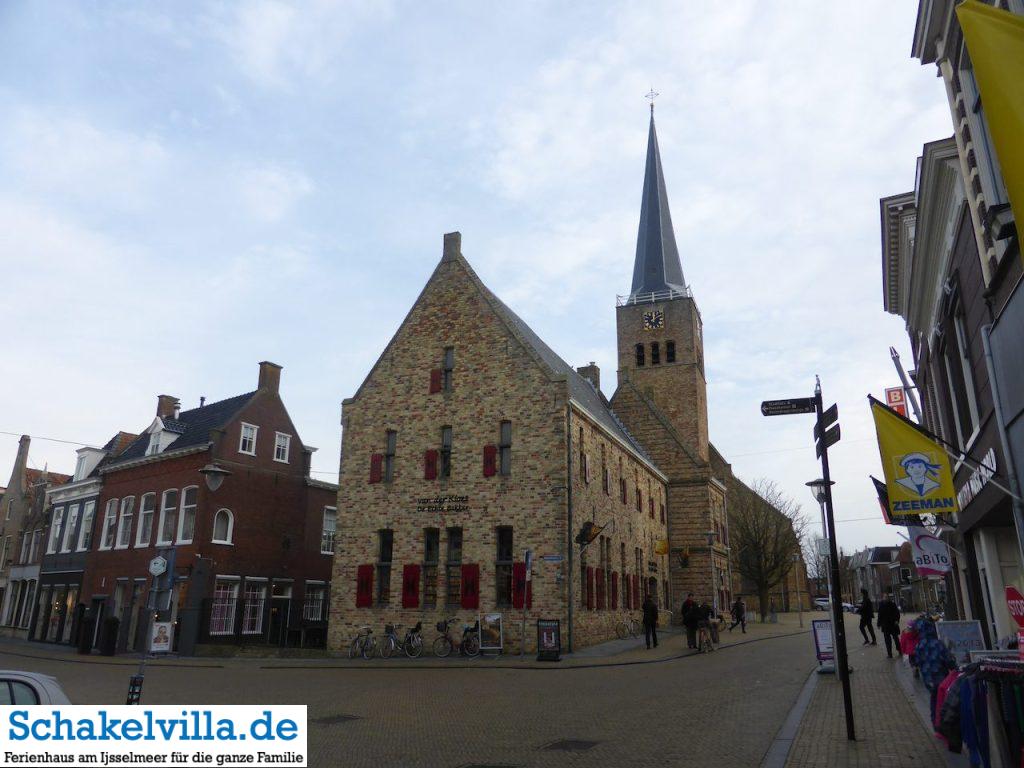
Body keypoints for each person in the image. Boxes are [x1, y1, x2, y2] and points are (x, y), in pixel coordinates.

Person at [911, 617, 956, 722]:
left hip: (928, 678)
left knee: (934, 699)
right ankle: (945, 721)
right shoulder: (937, 644)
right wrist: (955, 668)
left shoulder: (919, 646)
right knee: (944, 699)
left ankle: (935, 721)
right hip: (941, 677)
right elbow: (948, 660)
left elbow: (916, 661)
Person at [877, 591, 902, 658]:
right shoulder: (881, 605)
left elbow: (897, 613)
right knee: (887, 640)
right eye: (885, 597)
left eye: (887, 597)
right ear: (883, 598)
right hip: (885, 625)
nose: (886, 598)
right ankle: (889, 653)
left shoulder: (892, 604)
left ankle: (899, 650)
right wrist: (878, 624)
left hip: (893, 624)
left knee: (896, 638)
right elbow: (880, 615)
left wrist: (897, 620)